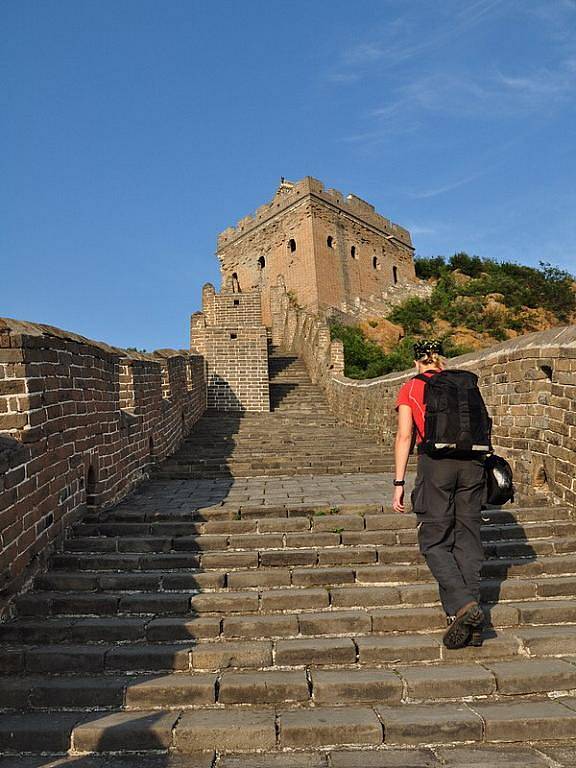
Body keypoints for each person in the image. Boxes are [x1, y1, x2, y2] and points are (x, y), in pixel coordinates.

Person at [392, 339, 486, 649]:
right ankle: (469, 623)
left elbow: (405, 435)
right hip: (473, 465)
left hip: (436, 466)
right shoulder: (463, 384)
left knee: (434, 540)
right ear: (441, 362)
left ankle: (463, 605)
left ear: (417, 362)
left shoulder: (412, 387)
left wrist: (399, 483)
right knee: (468, 539)